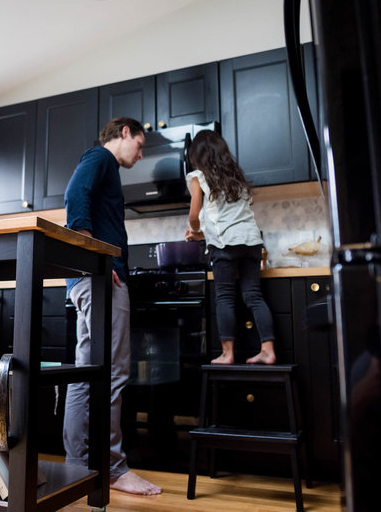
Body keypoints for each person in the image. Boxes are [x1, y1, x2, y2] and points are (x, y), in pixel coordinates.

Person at [62, 117, 162, 496]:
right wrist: (93, 255)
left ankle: (77, 465)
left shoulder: (105, 168)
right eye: (139, 145)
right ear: (124, 133)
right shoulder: (100, 158)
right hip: (99, 276)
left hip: (89, 278)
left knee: (87, 370)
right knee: (114, 371)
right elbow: (75, 195)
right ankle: (114, 468)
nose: (140, 154)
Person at [184, 130, 276, 365]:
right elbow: (232, 218)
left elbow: (194, 216)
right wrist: (204, 234)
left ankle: (228, 353)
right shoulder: (236, 177)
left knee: (224, 297)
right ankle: (267, 349)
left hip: (224, 245)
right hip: (251, 242)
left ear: (197, 155)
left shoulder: (198, 177)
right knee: (253, 295)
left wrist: (195, 231)